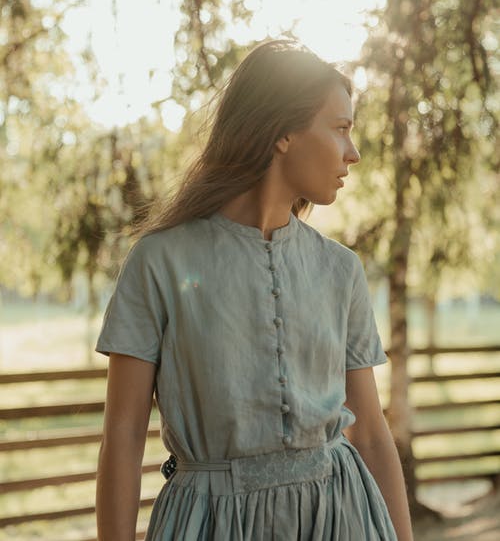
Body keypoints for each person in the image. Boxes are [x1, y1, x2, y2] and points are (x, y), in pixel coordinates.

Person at [95, 39, 414, 540]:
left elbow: (371, 433)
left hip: (342, 518)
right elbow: (124, 434)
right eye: (341, 128)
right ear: (283, 131)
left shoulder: (340, 270)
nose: (353, 153)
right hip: (211, 525)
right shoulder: (159, 262)